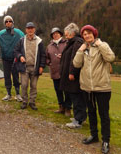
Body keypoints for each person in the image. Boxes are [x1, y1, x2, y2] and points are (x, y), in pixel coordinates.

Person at [73, 25, 115, 154]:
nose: (87, 36)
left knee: (104, 115)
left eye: (89, 33)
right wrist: (80, 50)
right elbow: (76, 64)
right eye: (84, 34)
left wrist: (100, 45)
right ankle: (94, 135)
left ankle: (106, 141)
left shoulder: (103, 45)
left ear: (94, 34)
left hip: (102, 87)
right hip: (87, 87)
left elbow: (110, 58)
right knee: (91, 112)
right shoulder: (84, 48)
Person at [60, 23, 86, 128]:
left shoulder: (76, 42)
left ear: (72, 33)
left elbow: (74, 59)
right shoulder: (73, 42)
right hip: (72, 75)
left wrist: (72, 72)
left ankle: (78, 120)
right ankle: (80, 117)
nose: (66, 36)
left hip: (73, 77)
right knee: (76, 97)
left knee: (76, 98)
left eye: (67, 35)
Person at [14, 22, 46, 110]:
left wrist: (41, 67)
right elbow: (16, 51)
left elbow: (43, 55)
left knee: (34, 86)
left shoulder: (39, 41)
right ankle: (24, 102)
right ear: (26, 30)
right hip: (24, 67)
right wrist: (20, 56)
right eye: (28, 28)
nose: (30, 30)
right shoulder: (21, 40)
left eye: (32, 28)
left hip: (35, 67)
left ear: (34, 29)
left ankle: (32, 102)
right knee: (24, 85)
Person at [0, 15, 24, 102]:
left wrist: (21, 55)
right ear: (4, 24)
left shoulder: (19, 32)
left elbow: (24, 43)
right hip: (5, 59)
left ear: (13, 22)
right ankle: (8, 94)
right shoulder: (0, 34)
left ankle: (18, 94)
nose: (8, 22)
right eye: (6, 21)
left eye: (10, 21)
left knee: (16, 76)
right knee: (7, 76)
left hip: (16, 59)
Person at [45, 27, 71, 114]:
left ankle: (68, 108)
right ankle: (61, 107)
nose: (55, 35)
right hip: (54, 71)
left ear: (60, 34)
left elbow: (71, 55)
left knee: (67, 91)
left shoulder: (67, 43)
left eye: (57, 33)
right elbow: (46, 58)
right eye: (53, 34)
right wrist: (50, 63)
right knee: (58, 90)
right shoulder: (49, 46)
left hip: (65, 71)